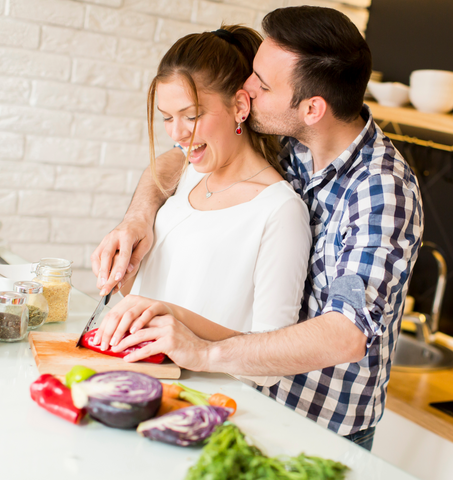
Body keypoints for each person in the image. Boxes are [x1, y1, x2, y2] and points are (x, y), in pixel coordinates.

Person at [91, 6, 423, 451]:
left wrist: (203, 350)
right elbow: (179, 158)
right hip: (257, 405)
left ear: (312, 107)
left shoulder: (380, 191)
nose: (246, 87)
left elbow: (346, 334)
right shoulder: (296, 141)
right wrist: (138, 217)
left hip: (320, 429)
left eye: (262, 85)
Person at [92, 24, 311, 386]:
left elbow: (273, 363)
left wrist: (176, 317)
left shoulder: (279, 211)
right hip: (134, 378)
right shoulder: (191, 175)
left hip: (204, 401)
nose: (177, 133)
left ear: (240, 105)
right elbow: (161, 289)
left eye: (191, 116)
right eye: (167, 117)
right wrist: (127, 271)